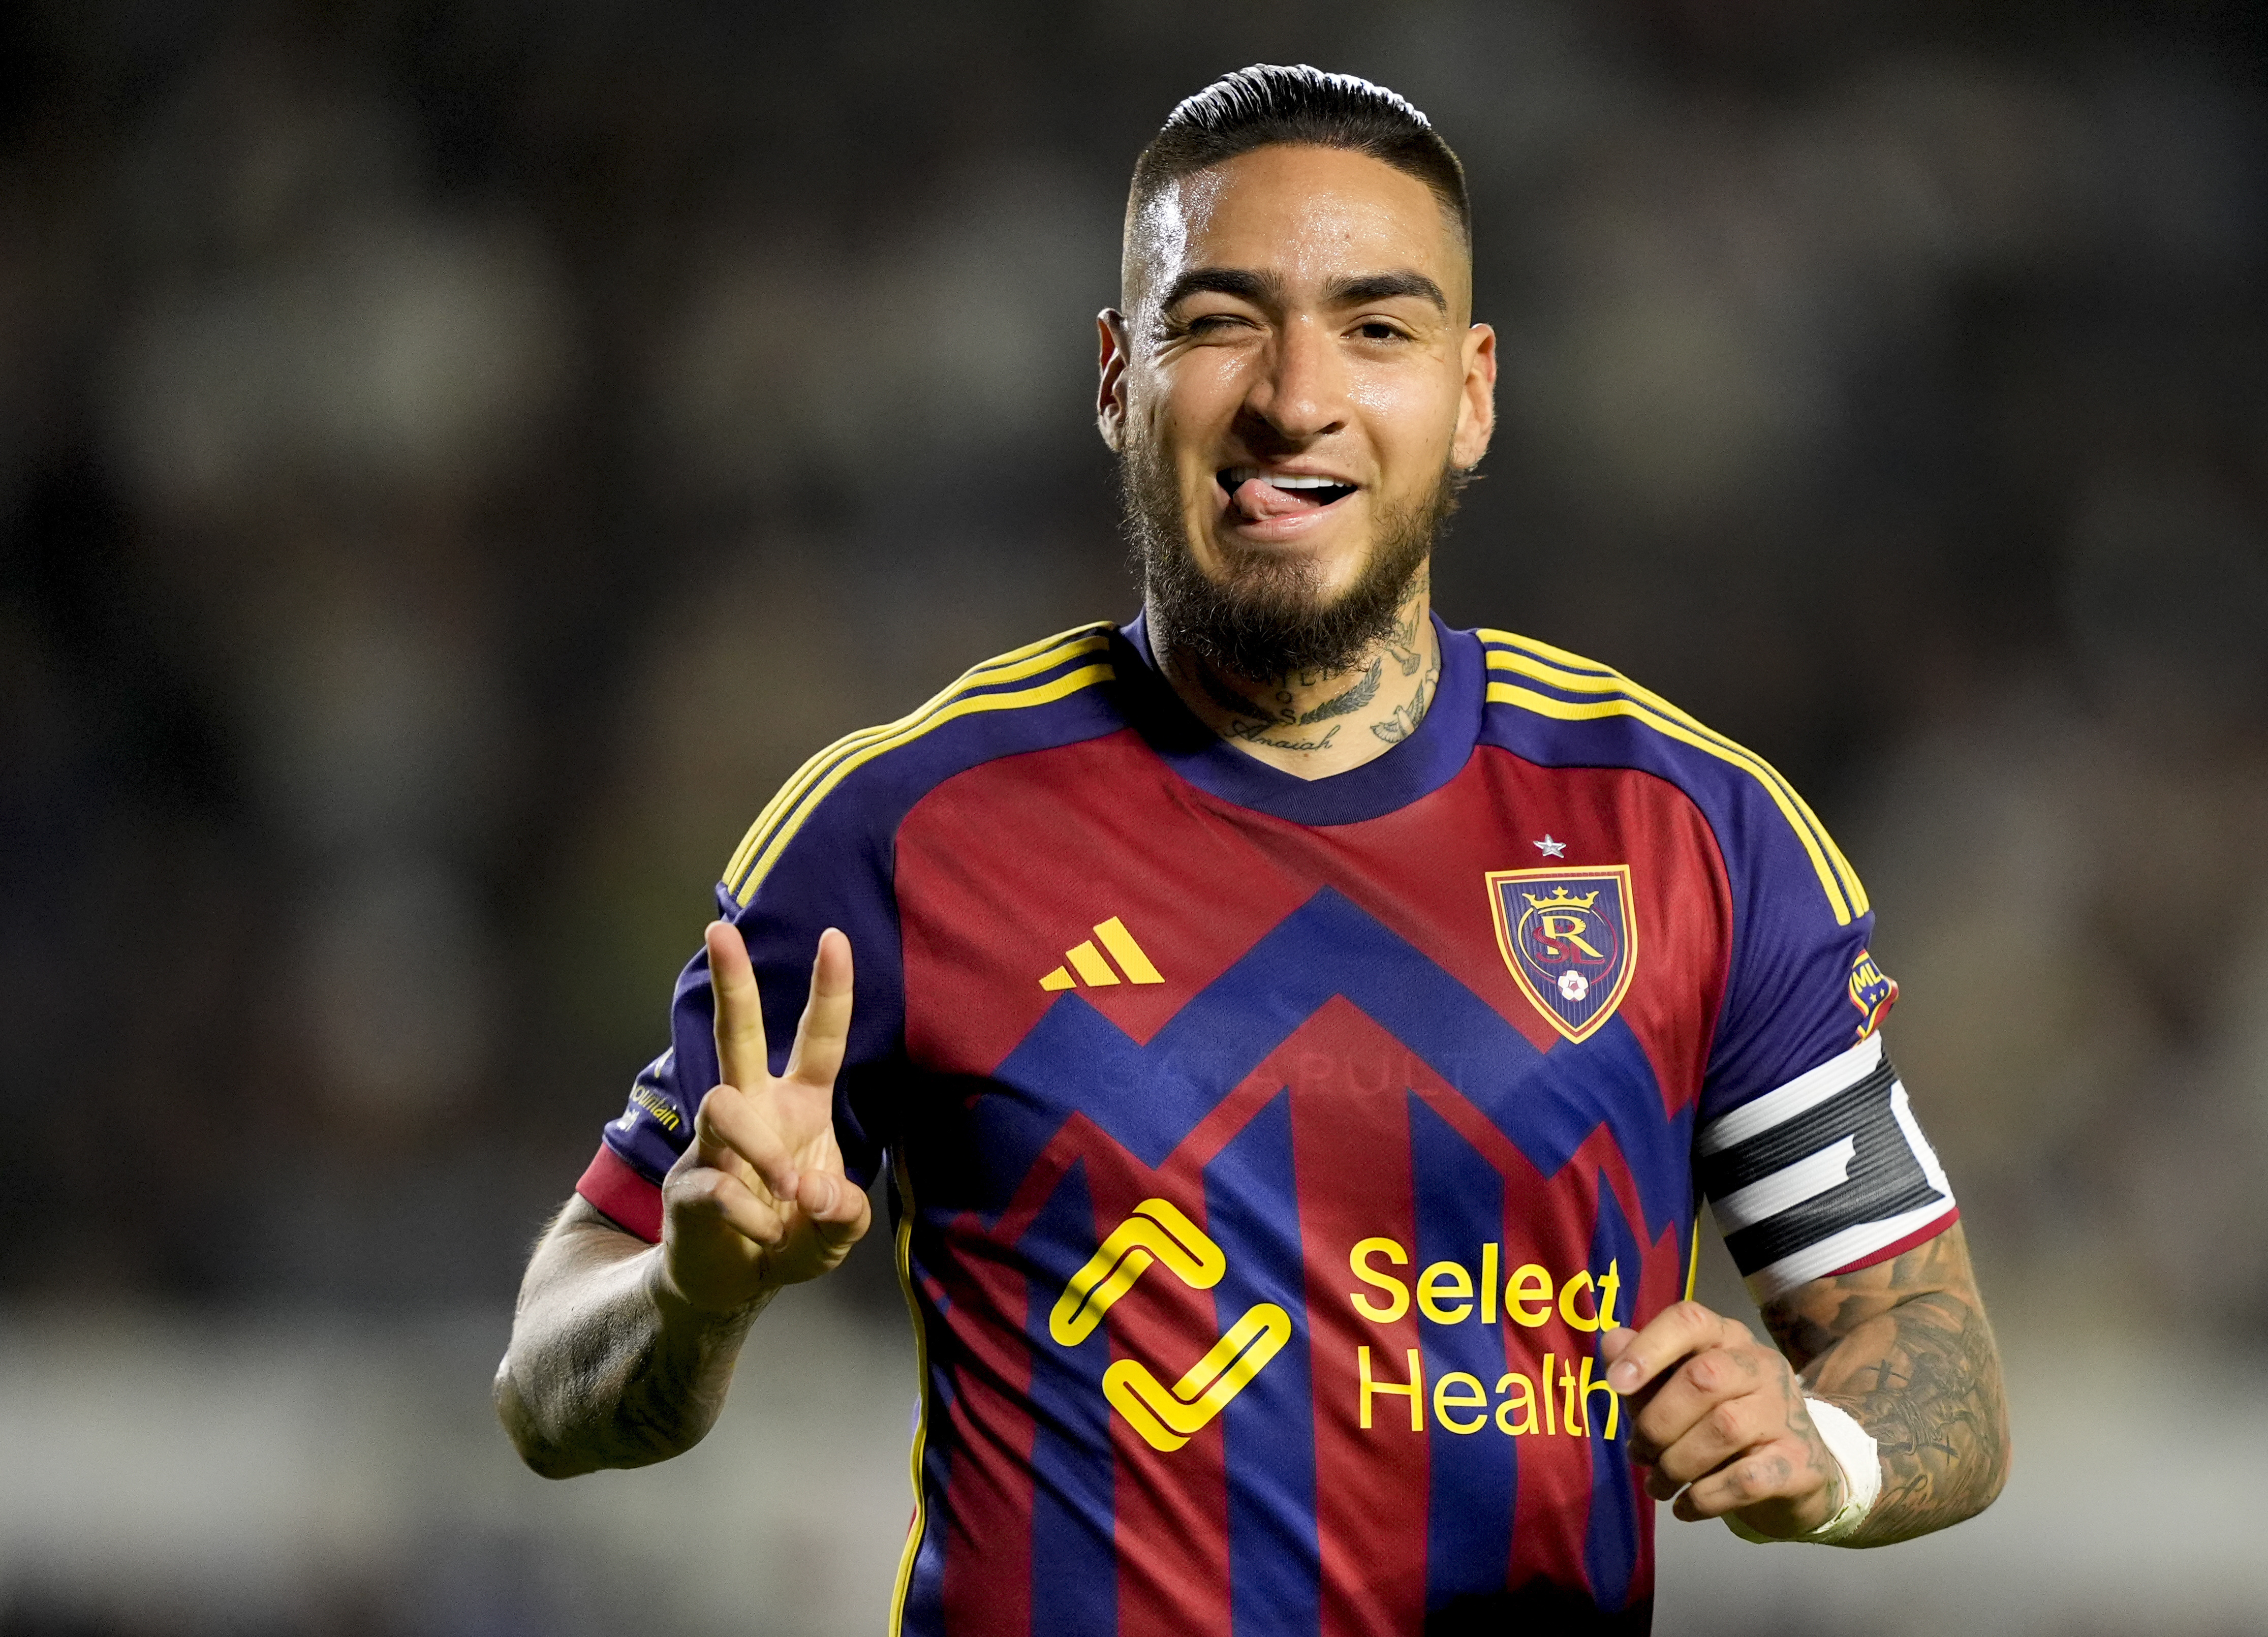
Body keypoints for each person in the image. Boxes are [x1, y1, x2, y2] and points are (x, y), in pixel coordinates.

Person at [494, 63, 2008, 1635]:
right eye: (1221, 321)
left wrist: (1823, 1453)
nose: (1297, 394)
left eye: (1378, 326)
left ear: (1473, 390)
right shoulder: (902, 836)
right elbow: (551, 1387)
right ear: (1112, 376)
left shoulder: (1696, 835)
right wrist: (693, 1296)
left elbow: (1925, 1343)